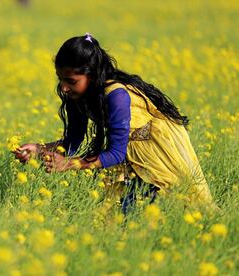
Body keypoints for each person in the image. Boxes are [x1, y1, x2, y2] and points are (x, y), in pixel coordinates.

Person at [12, 33, 215, 214]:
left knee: (183, 205)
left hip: (157, 148)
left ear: (91, 75)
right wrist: (38, 150)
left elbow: (116, 153)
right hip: (128, 151)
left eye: (71, 81)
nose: (64, 87)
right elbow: (73, 142)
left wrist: (69, 164)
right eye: (60, 79)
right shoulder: (77, 96)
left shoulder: (116, 94)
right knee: (125, 214)